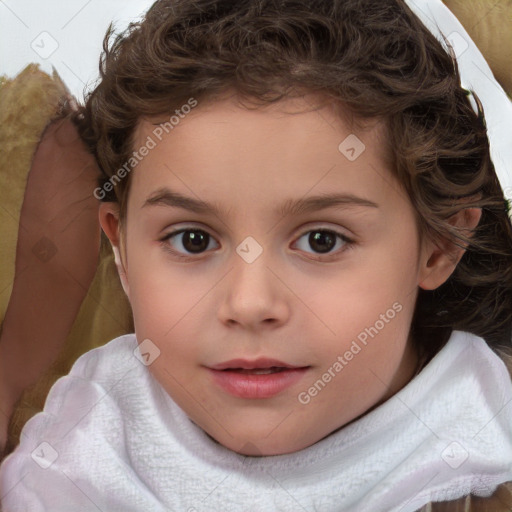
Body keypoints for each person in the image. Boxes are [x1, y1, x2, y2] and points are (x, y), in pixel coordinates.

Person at [1, 0, 512, 510]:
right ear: (123, 252)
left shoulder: (487, 448)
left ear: (438, 245)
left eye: (322, 241)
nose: (249, 303)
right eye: (193, 240)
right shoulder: (86, 441)